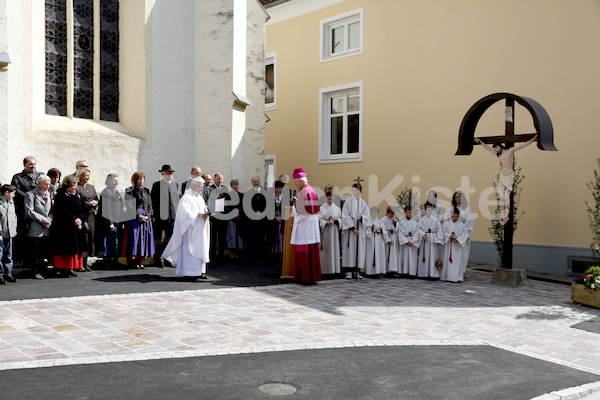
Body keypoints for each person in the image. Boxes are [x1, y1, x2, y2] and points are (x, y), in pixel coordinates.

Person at [474, 135, 537, 224]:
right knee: (501, 197)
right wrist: (480, 142)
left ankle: (506, 216)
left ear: (501, 146)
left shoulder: (510, 151)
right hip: (502, 177)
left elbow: (522, 145)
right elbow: (488, 148)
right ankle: (502, 216)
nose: (496, 149)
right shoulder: (498, 155)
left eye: (497, 147)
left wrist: (533, 139)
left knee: (506, 197)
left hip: (509, 176)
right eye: (495, 148)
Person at [163, 177, 210, 279]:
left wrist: (206, 213)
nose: (202, 189)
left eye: (203, 186)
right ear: (194, 186)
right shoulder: (186, 198)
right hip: (190, 230)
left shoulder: (200, 198)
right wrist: (197, 215)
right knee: (190, 251)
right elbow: (184, 214)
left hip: (199, 228)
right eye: (201, 187)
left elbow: (202, 210)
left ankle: (200, 271)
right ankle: (189, 272)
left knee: (200, 249)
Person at [50, 176, 88, 277]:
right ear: (67, 186)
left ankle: (72, 267)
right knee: (65, 249)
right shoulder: (61, 196)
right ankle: (63, 268)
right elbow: (62, 210)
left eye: (76, 185)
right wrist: (74, 219)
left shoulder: (78, 195)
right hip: (64, 227)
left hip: (77, 226)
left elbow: (85, 209)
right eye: (74, 185)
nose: (76, 187)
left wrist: (80, 219)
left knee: (75, 248)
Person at [290, 168, 322, 285]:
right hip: (309, 227)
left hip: (305, 227)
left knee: (304, 251)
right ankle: (309, 277)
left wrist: (294, 204)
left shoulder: (304, 191)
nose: (295, 184)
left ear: (301, 180)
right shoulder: (310, 190)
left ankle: (305, 278)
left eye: (296, 182)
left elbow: (302, 211)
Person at [11, 156, 42, 261]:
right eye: (30, 164)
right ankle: (23, 259)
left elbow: (48, 187)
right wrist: (29, 197)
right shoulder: (17, 177)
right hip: (24, 211)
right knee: (24, 235)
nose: (33, 166)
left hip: (39, 211)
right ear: (24, 165)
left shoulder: (40, 175)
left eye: (34, 164)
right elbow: (16, 190)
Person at [24, 175, 53, 280]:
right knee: (35, 251)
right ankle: (35, 271)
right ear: (39, 184)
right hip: (36, 227)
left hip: (47, 227)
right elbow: (29, 211)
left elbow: (51, 211)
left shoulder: (49, 194)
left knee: (44, 251)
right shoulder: (30, 194)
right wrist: (43, 220)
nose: (47, 186)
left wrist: (49, 219)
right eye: (45, 184)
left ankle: (44, 271)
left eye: (49, 184)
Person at [123, 172, 154, 269]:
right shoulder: (129, 191)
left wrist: (148, 216)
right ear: (135, 180)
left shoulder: (147, 191)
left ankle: (141, 261)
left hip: (145, 218)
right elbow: (129, 206)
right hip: (135, 218)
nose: (141, 181)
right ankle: (134, 261)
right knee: (135, 239)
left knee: (144, 240)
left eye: (143, 179)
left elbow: (149, 205)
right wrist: (138, 216)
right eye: (139, 179)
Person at [151, 165, 179, 268]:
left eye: (171, 173)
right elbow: (153, 201)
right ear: (162, 174)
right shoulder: (157, 185)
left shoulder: (175, 185)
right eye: (167, 173)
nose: (169, 175)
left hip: (171, 217)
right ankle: (158, 257)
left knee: (169, 238)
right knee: (159, 238)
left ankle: (167, 257)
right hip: (161, 216)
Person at [341, 183, 369, 279]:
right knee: (350, 250)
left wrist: (361, 217)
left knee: (358, 249)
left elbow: (367, 217)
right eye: (353, 190)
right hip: (350, 230)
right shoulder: (348, 202)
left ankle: (357, 271)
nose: (355, 192)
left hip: (359, 228)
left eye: (357, 190)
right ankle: (349, 270)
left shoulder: (363, 203)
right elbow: (344, 215)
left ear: (360, 191)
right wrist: (352, 228)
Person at [96, 174, 124, 267]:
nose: (116, 182)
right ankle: (106, 261)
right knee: (107, 242)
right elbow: (106, 209)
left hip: (117, 220)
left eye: (117, 180)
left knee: (115, 241)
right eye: (114, 181)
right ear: (108, 181)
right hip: (108, 221)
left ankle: (114, 260)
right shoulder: (106, 192)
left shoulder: (116, 192)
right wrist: (110, 222)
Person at [444, 191, 474, 276]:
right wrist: (451, 235)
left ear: (462, 198)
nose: (457, 199)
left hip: (461, 236)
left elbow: (469, 223)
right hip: (452, 235)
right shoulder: (451, 208)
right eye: (456, 197)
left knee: (461, 256)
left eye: (459, 197)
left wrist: (459, 237)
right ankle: (450, 273)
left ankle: (460, 273)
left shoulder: (467, 208)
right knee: (451, 256)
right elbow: (447, 220)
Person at [76, 167, 98, 271]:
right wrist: (87, 203)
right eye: (86, 175)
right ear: (80, 176)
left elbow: (96, 198)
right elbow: (77, 201)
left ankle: (86, 262)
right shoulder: (77, 187)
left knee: (91, 237)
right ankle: (80, 263)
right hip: (83, 215)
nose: (88, 177)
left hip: (92, 215)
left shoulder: (91, 186)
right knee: (84, 238)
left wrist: (95, 202)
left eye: (89, 175)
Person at [440, 207, 469, 282]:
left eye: (456, 216)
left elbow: (465, 234)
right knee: (447, 261)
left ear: (458, 216)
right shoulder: (446, 224)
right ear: (450, 215)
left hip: (456, 247)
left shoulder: (462, 225)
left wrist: (458, 239)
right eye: (453, 216)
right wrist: (449, 236)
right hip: (448, 245)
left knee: (456, 261)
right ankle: (445, 276)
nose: (454, 218)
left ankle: (456, 277)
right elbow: (442, 233)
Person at [417, 202, 443, 279]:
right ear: (425, 210)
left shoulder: (436, 220)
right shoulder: (421, 220)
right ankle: (423, 274)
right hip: (425, 241)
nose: (429, 211)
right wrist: (422, 234)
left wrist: (439, 240)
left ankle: (433, 274)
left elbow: (439, 230)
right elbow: (418, 229)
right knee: (425, 256)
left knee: (433, 257)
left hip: (433, 240)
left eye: (430, 209)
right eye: (427, 209)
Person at [318, 190, 341, 275]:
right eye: (328, 199)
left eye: (331, 199)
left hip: (333, 232)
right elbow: (318, 219)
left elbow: (341, 220)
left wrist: (336, 221)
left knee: (333, 249)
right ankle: (324, 270)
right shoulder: (322, 208)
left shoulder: (337, 209)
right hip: (326, 232)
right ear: (325, 198)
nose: (330, 201)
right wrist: (326, 222)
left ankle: (333, 270)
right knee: (326, 251)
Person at [208, 172, 228, 262]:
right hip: (213, 216)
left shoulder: (225, 188)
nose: (220, 180)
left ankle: (221, 255)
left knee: (222, 236)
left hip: (222, 216)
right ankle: (212, 255)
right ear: (214, 179)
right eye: (218, 178)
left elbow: (228, 200)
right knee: (213, 236)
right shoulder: (210, 189)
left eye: (221, 179)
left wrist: (226, 204)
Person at [0, 185, 18, 284]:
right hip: (2, 234)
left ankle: (8, 273)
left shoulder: (11, 203)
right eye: (12, 193)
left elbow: (14, 216)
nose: (13, 196)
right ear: (6, 193)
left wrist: (14, 228)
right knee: (0, 255)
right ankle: (0, 274)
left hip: (10, 233)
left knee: (8, 255)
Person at [247, 176, 267, 262]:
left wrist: (261, 212)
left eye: (257, 181)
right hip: (252, 219)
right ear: (252, 182)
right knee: (253, 238)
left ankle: (261, 257)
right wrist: (254, 212)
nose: (256, 183)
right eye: (254, 182)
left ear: (260, 181)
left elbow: (267, 204)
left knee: (261, 238)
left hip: (262, 219)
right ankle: (253, 257)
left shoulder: (265, 192)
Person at [226, 179, 246, 260]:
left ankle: (237, 252)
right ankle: (231, 252)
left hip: (239, 218)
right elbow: (226, 208)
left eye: (237, 185)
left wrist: (239, 215)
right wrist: (232, 215)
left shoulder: (241, 195)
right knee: (231, 236)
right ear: (231, 186)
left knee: (238, 236)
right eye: (234, 185)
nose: (236, 186)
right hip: (231, 218)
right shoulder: (227, 195)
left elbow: (243, 207)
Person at [397, 205, 420, 276]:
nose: (410, 214)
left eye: (411, 212)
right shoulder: (401, 223)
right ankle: (404, 272)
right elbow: (400, 233)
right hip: (405, 242)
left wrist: (412, 241)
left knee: (412, 258)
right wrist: (406, 241)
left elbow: (417, 233)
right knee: (404, 257)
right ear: (405, 213)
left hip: (412, 242)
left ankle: (412, 272)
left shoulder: (416, 223)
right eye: (408, 212)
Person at [364, 206, 386, 277]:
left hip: (378, 240)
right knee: (371, 255)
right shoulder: (367, 220)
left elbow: (383, 230)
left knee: (378, 255)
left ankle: (377, 271)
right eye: (373, 213)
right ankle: (369, 272)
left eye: (376, 213)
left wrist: (381, 230)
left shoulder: (378, 221)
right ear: (370, 213)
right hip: (371, 241)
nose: (375, 215)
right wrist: (371, 228)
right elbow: (366, 231)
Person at [268, 181, 286, 260]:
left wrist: (283, 218)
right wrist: (274, 217)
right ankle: (274, 253)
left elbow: (288, 209)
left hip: (282, 219)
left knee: (281, 236)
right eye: (276, 188)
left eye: (279, 188)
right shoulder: (271, 197)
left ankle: (281, 253)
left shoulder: (284, 197)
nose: (278, 190)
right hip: (274, 219)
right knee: (274, 236)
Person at [380, 206, 399, 275]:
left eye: (393, 214)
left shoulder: (394, 220)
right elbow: (383, 230)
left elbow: (397, 230)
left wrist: (394, 223)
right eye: (391, 214)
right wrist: (388, 240)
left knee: (393, 255)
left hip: (393, 237)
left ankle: (392, 270)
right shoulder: (383, 220)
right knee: (386, 253)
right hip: (387, 238)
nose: (392, 216)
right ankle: (386, 270)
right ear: (387, 213)